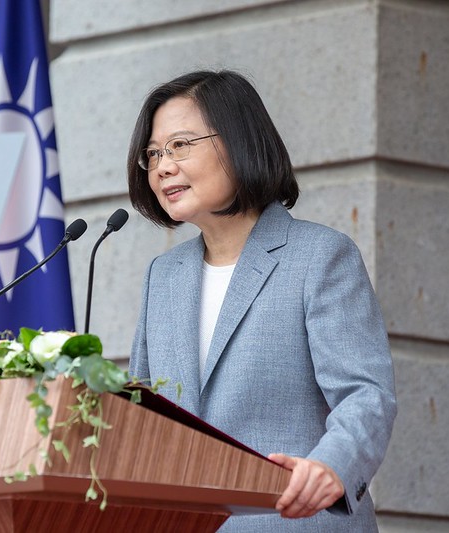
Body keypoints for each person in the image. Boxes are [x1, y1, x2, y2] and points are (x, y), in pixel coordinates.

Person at [127, 70, 397, 532]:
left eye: (180, 145)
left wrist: (332, 468)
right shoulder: (163, 277)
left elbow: (365, 395)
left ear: (239, 142)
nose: (162, 167)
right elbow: (143, 414)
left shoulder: (319, 257)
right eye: (153, 154)